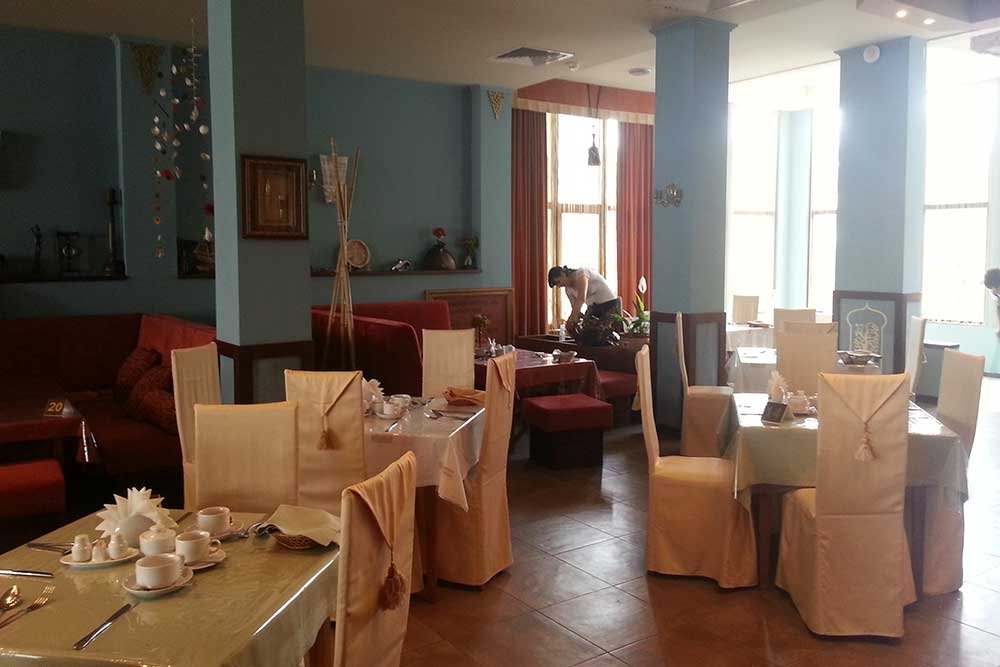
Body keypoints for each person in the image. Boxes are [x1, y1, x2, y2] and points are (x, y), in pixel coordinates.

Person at [547, 265, 621, 334]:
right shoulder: (568, 290)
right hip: (593, 308)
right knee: (587, 333)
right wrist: (575, 321)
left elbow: (581, 298)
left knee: (609, 334)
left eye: (558, 282)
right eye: (557, 285)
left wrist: (571, 320)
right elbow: (575, 309)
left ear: (563, 274)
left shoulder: (581, 273)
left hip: (610, 305)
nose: (559, 286)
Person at [986, 268, 1000, 337]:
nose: (993, 290)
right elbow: (998, 308)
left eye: (995, 287)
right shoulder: (995, 294)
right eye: (991, 288)